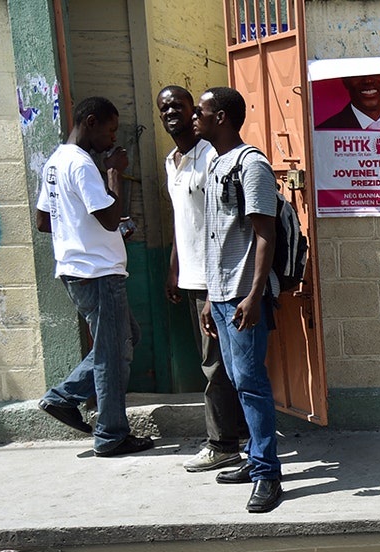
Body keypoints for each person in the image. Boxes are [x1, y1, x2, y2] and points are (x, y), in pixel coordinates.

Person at [35, 96, 153, 457]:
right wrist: (114, 172)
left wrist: (88, 230)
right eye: (110, 130)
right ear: (90, 122)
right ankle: (111, 434)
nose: (113, 139)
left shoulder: (55, 162)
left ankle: (63, 398)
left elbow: (44, 221)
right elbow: (107, 216)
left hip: (80, 269)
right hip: (97, 273)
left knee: (125, 338)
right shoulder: (83, 164)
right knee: (112, 355)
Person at [192, 86, 283, 513]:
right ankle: (253, 461)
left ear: (222, 117)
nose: (194, 116)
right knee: (236, 379)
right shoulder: (215, 164)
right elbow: (216, 239)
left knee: (251, 383)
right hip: (223, 295)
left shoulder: (252, 166)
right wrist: (212, 296)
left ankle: (267, 474)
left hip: (246, 296)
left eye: (202, 111)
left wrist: (254, 294)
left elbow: (265, 232)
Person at [157, 84, 248, 472]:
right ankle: (235, 435)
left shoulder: (211, 154)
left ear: (195, 110)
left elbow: (220, 222)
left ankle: (222, 443)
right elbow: (185, 223)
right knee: (215, 364)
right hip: (192, 276)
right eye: (164, 108)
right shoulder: (170, 160)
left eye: (179, 105)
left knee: (217, 366)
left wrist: (213, 283)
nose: (172, 112)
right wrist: (175, 269)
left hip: (218, 278)